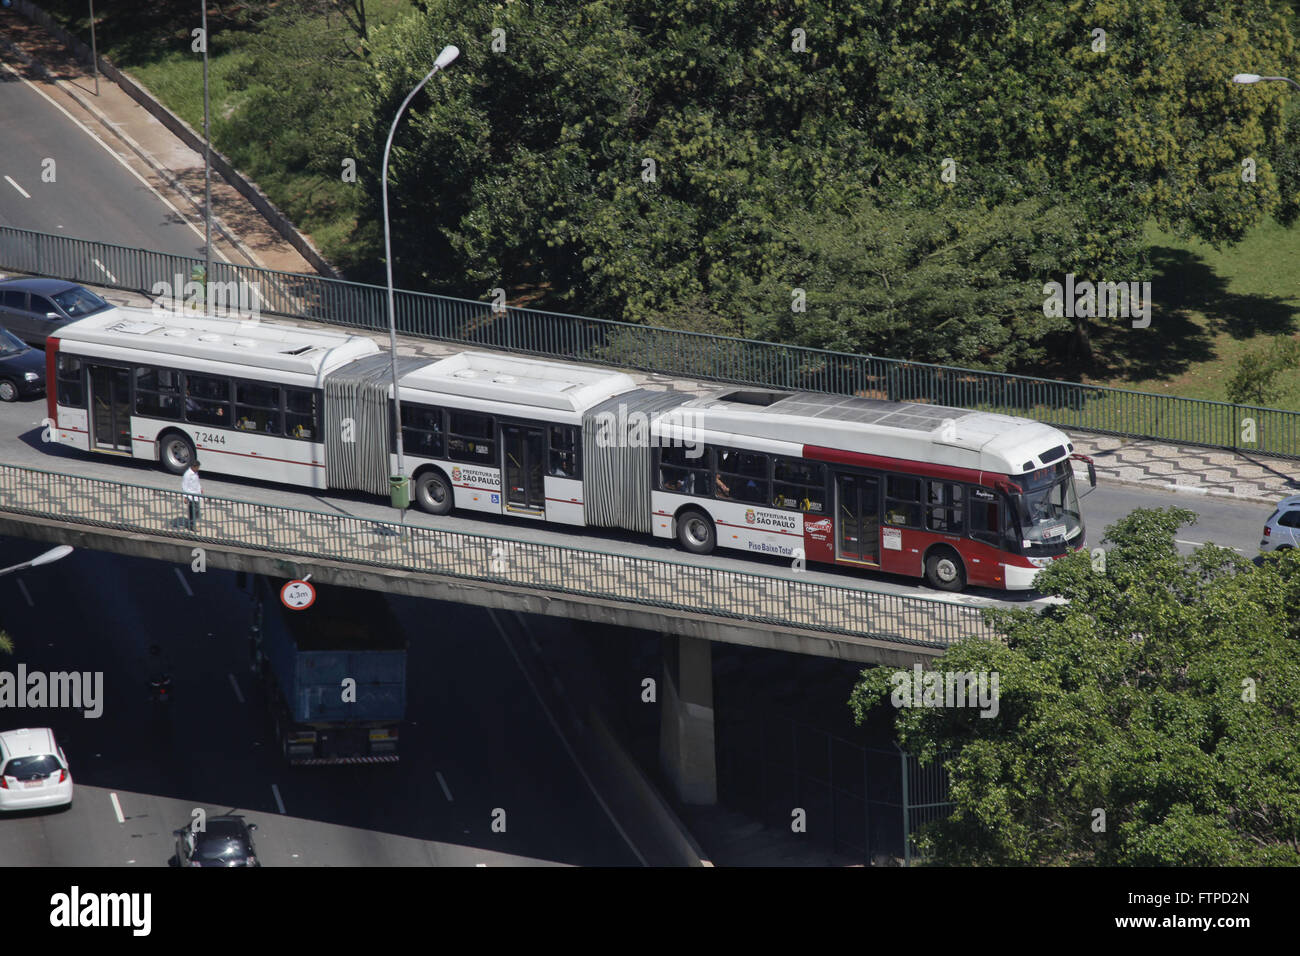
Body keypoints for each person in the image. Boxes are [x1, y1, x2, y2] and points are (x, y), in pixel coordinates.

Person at [182, 459, 203, 531]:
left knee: (196, 511)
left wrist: (200, 489)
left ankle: (193, 524)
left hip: (196, 494)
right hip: (191, 496)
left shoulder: (195, 473)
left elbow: (197, 482)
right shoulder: (187, 474)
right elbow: (185, 486)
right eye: (197, 467)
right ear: (194, 466)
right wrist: (185, 497)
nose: (198, 468)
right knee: (192, 511)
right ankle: (192, 526)